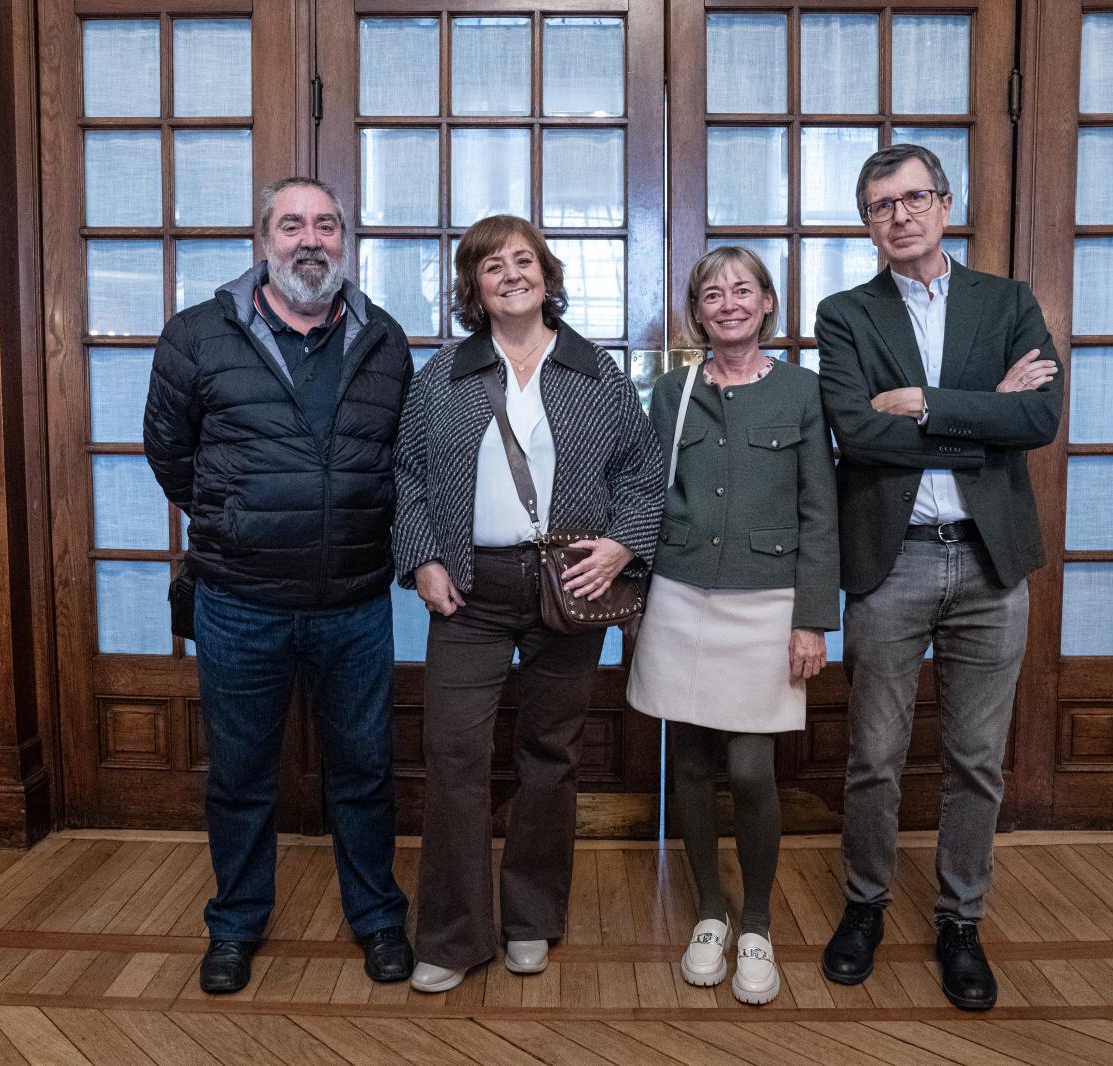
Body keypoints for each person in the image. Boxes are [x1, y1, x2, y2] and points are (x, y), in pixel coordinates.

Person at [143, 176, 416, 994]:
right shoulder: (198, 334)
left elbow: (404, 460)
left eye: (326, 225)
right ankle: (235, 926)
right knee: (240, 775)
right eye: (293, 224)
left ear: (345, 241)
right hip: (239, 602)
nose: (311, 239)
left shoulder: (385, 338)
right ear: (264, 240)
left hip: (356, 601)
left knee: (365, 770)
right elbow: (169, 451)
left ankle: (377, 921)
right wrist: (233, 513)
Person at [814, 145, 1062, 1011]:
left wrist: (922, 401)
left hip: (992, 561)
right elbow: (854, 432)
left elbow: (1038, 416)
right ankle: (864, 906)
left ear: (945, 204)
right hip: (893, 560)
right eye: (882, 206)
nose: (901, 216)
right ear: (867, 225)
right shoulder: (844, 314)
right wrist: (981, 408)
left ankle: (961, 922)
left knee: (975, 760)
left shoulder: (1010, 300)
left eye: (915, 197)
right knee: (874, 755)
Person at [393, 214, 664, 993]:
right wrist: (421, 561)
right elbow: (408, 475)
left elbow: (643, 478)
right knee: (453, 756)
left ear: (548, 275)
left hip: (570, 587)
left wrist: (618, 548)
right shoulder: (441, 374)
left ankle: (532, 920)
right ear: (473, 290)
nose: (511, 274)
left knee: (551, 756)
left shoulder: (595, 372)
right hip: (468, 591)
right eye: (491, 266)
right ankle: (450, 935)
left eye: (524, 261)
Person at [626, 247, 839, 1006]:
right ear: (698, 311)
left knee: (750, 769)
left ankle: (755, 919)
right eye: (711, 294)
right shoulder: (670, 390)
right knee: (687, 765)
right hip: (679, 596)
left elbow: (821, 508)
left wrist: (815, 618)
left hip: (767, 602)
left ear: (768, 303)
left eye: (741, 290)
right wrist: (633, 598)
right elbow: (646, 495)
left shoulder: (802, 392)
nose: (727, 303)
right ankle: (708, 914)